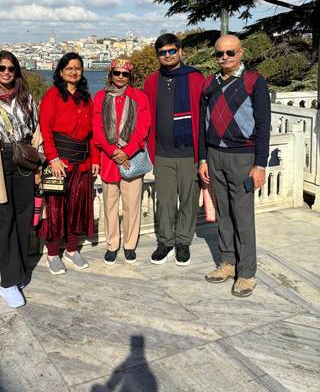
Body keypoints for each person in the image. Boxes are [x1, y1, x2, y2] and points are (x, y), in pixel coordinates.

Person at [198, 34, 271, 298]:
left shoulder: (254, 81)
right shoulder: (210, 84)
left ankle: (247, 272)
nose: (225, 57)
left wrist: (260, 164)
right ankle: (228, 263)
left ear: (241, 53)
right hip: (215, 156)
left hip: (243, 157)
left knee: (242, 216)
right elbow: (201, 125)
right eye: (220, 54)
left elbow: (263, 125)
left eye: (230, 52)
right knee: (223, 213)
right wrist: (203, 158)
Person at [0, 51, 41, 308]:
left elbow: (36, 131)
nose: (6, 72)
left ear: (16, 72)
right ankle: (8, 282)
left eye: (11, 68)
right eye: (1, 68)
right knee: (3, 218)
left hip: (23, 158)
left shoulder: (27, 98)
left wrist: (38, 162)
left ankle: (15, 270)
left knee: (23, 218)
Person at [143, 33, 205, 267]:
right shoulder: (152, 81)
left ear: (180, 51)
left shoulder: (196, 78)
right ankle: (165, 242)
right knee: (165, 202)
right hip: (162, 153)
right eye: (162, 52)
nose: (167, 55)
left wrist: (204, 156)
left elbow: (205, 115)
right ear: (158, 56)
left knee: (189, 200)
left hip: (190, 153)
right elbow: (145, 115)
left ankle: (183, 242)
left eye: (171, 51)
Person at [39, 52, 100, 274]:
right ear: (61, 72)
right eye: (69, 68)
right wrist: (53, 158)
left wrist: (95, 158)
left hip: (82, 162)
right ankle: (53, 253)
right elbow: (46, 130)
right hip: (59, 162)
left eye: (77, 68)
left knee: (77, 207)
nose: (74, 72)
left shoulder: (86, 98)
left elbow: (92, 132)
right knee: (55, 209)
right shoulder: (52, 96)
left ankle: (72, 249)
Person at [93, 59, 151, 265]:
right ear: (111, 75)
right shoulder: (100, 97)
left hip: (131, 159)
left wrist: (126, 151)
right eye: (116, 73)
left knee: (132, 205)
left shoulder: (140, 97)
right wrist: (113, 150)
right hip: (109, 160)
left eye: (124, 74)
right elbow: (97, 127)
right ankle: (112, 245)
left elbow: (143, 128)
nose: (120, 77)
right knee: (109, 206)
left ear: (130, 77)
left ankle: (129, 245)